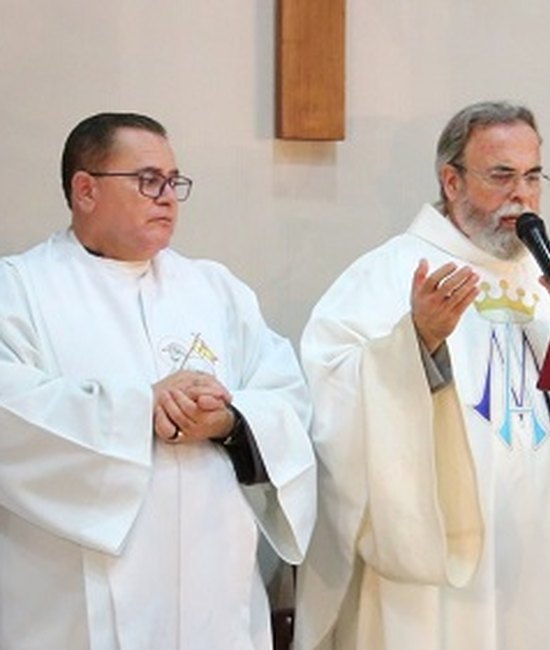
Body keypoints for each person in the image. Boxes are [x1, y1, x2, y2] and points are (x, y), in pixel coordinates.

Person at [295, 101, 550, 650]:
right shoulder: (389, 273)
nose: (521, 196)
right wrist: (416, 344)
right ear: (451, 181)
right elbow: (330, 399)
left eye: (532, 177)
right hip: (444, 567)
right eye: (501, 176)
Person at [0, 112, 316, 648]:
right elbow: (12, 412)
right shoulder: (20, 290)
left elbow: (286, 396)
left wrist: (231, 421)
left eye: (174, 182)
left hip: (213, 587)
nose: (167, 197)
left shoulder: (215, 289)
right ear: (85, 190)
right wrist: (139, 408)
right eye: (148, 180)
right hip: (73, 601)